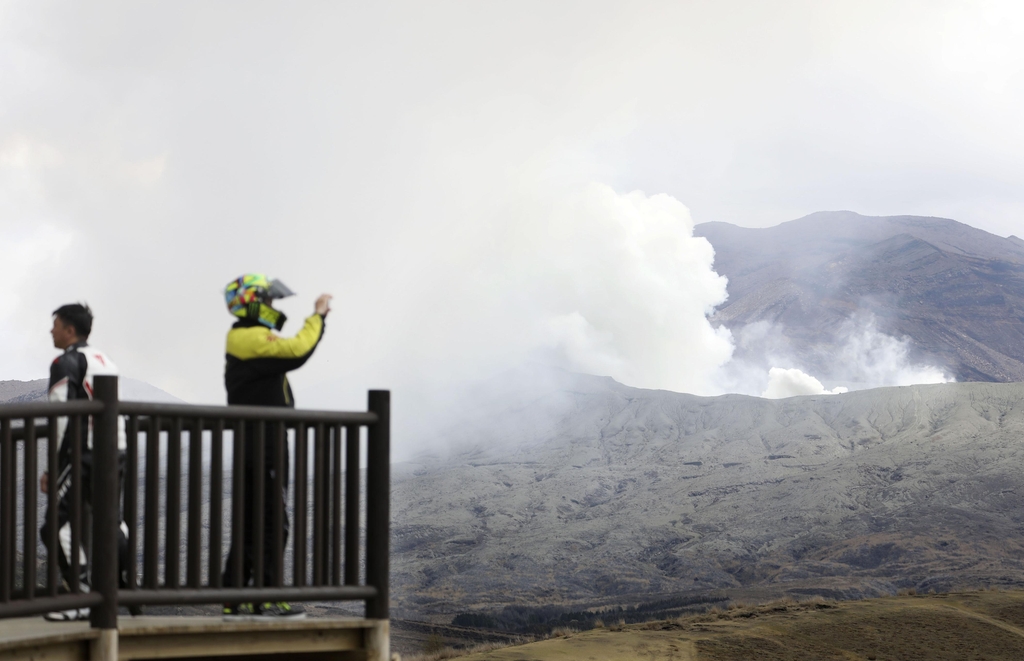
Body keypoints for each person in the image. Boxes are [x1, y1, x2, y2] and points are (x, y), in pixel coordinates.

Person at [221, 274, 331, 619]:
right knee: (272, 519)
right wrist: (318, 317)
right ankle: (267, 597)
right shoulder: (248, 337)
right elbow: (297, 349)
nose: (272, 308)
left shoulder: (245, 338)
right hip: (264, 440)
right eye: (268, 302)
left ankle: (235, 595)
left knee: (254, 519)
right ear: (252, 304)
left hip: (257, 438)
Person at [40, 303, 132, 621]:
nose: (51, 330)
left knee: (54, 525)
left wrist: (54, 468)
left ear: (69, 330)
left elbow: (62, 416)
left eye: (55, 325)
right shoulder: (103, 359)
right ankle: (124, 587)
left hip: (85, 453)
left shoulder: (66, 361)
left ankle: (79, 595)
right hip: (115, 448)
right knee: (112, 519)